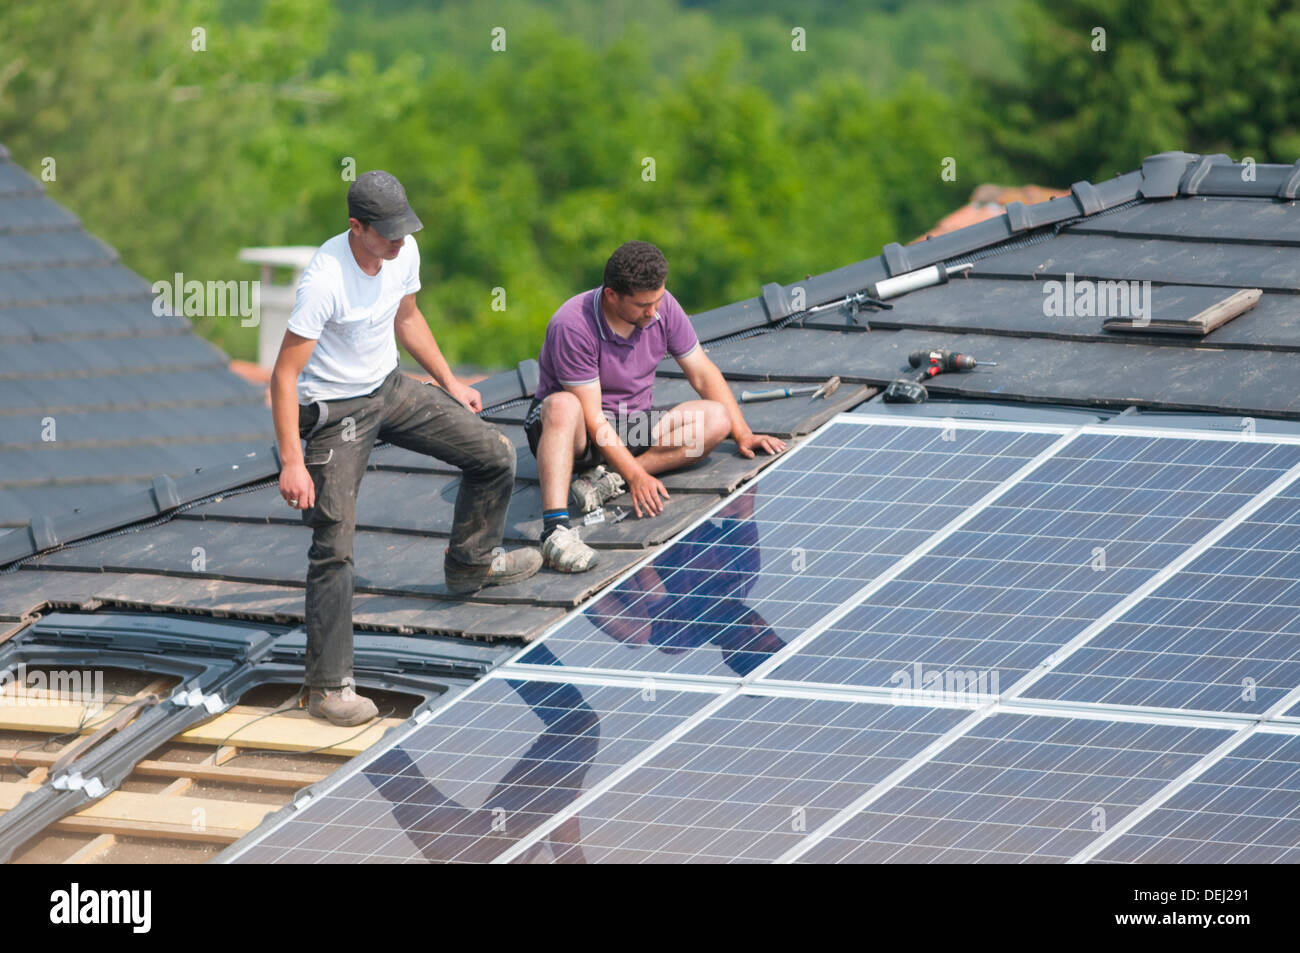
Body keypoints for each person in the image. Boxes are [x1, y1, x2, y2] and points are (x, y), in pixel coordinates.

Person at [272, 170, 541, 727]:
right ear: (356, 227)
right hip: (336, 411)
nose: (398, 243)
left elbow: (408, 317)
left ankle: (471, 562)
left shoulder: (403, 251)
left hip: (392, 388)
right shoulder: (325, 280)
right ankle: (328, 687)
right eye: (387, 234)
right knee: (335, 542)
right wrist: (293, 462)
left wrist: (447, 380)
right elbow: (283, 377)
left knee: (495, 454)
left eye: (403, 232)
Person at [526, 240, 786, 573]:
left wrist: (744, 434)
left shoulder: (662, 309)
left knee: (717, 419)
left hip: (630, 425)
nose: (653, 312)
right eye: (643, 305)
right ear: (611, 296)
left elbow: (704, 375)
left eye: (658, 300)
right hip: (576, 435)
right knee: (563, 405)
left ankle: (609, 481)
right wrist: (637, 477)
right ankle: (556, 531)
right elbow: (593, 419)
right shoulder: (573, 325)